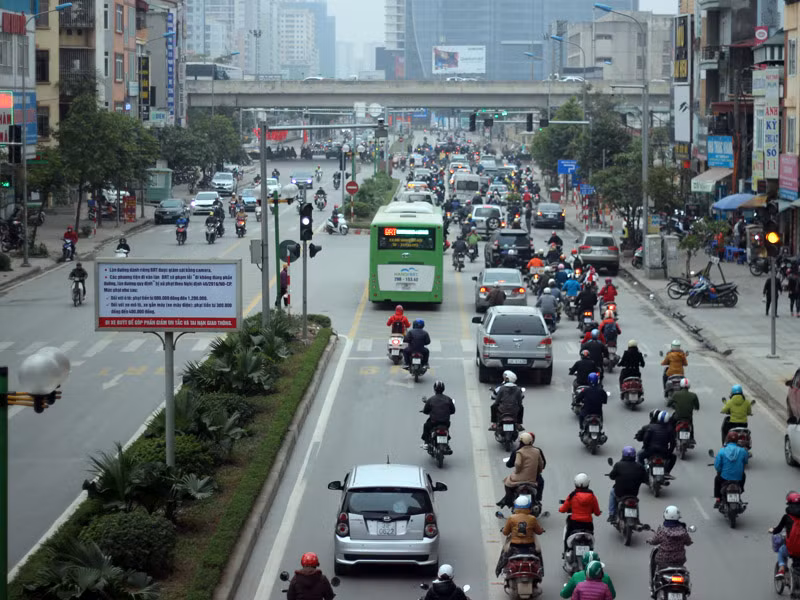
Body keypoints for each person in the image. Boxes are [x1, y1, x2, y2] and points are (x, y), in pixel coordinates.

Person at [496, 494, 545, 577]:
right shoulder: (532, 518)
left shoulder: (511, 518)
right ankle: (541, 571)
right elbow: (539, 532)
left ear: (516, 506)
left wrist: (504, 530)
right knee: (538, 555)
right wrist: (542, 530)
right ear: (529, 506)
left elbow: (505, 533)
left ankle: (499, 570)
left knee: (504, 553)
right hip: (530, 547)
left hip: (515, 547)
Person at [647, 506, 693, 585]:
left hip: (663, 560)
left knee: (654, 559)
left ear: (665, 516)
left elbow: (654, 541)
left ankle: (653, 582)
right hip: (679, 560)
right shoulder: (683, 531)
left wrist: (649, 540)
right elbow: (688, 542)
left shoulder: (662, 531)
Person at [498, 432, 545, 507]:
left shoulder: (519, 452)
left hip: (519, 478)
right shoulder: (537, 451)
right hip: (533, 478)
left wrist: (517, 471)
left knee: (507, 483)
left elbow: (517, 464)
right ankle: (538, 499)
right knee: (541, 482)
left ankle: (509, 501)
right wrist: (537, 472)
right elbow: (541, 464)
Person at [559, 473, 601, 554]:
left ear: (575, 483)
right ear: (588, 484)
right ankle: (590, 551)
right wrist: (597, 512)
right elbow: (597, 512)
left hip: (574, 524)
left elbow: (563, 509)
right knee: (590, 540)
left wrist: (561, 509)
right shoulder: (592, 496)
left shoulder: (572, 495)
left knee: (567, 537)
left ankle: (566, 552)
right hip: (588, 524)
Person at [607, 446, 647, 523]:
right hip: (633, 493)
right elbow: (645, 479)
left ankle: (611, 514)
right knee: (635, 502)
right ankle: (637, 519)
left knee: (612, 492)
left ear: (623, 455)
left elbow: (612, 476)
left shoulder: (618, 465)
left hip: (620, 493)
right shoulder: (640, 466)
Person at [713, 431, 749, 508]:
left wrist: (720, 471)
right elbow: (745, 462)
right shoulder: (743, 451)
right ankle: (740, 490)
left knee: (717, 479)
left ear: (727, 439)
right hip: (738, 478)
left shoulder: (722, 451)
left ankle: (718, 499)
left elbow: (717, 466)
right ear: (737, 440)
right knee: (743, 475)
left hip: (725, 478)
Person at [769, 492, 800, 577]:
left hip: (791, 549)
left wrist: (773, 530)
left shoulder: (786, 517)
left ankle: (782, 568)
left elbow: (778, 529)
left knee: (781, 551)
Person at [637, 410, 676, 475]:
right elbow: (673, 443)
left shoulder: (650, 427)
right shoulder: (670, 429)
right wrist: (669, 452)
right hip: (663, 452)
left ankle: (643, 471)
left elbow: (646, 439)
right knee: (673, 457)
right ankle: (666, 472)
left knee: (639, 455)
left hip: (650, 451)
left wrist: (646, 447)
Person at [421, 381, 456, 447]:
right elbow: (453, 411)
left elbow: (425, 411)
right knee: (447, 427)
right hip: (445, 423)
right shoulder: (448, 399)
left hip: (434, 422)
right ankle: (447, 438)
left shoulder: (431, 399)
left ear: (434, 389)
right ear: (443, 389)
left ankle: (426, 442)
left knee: (426, 426)